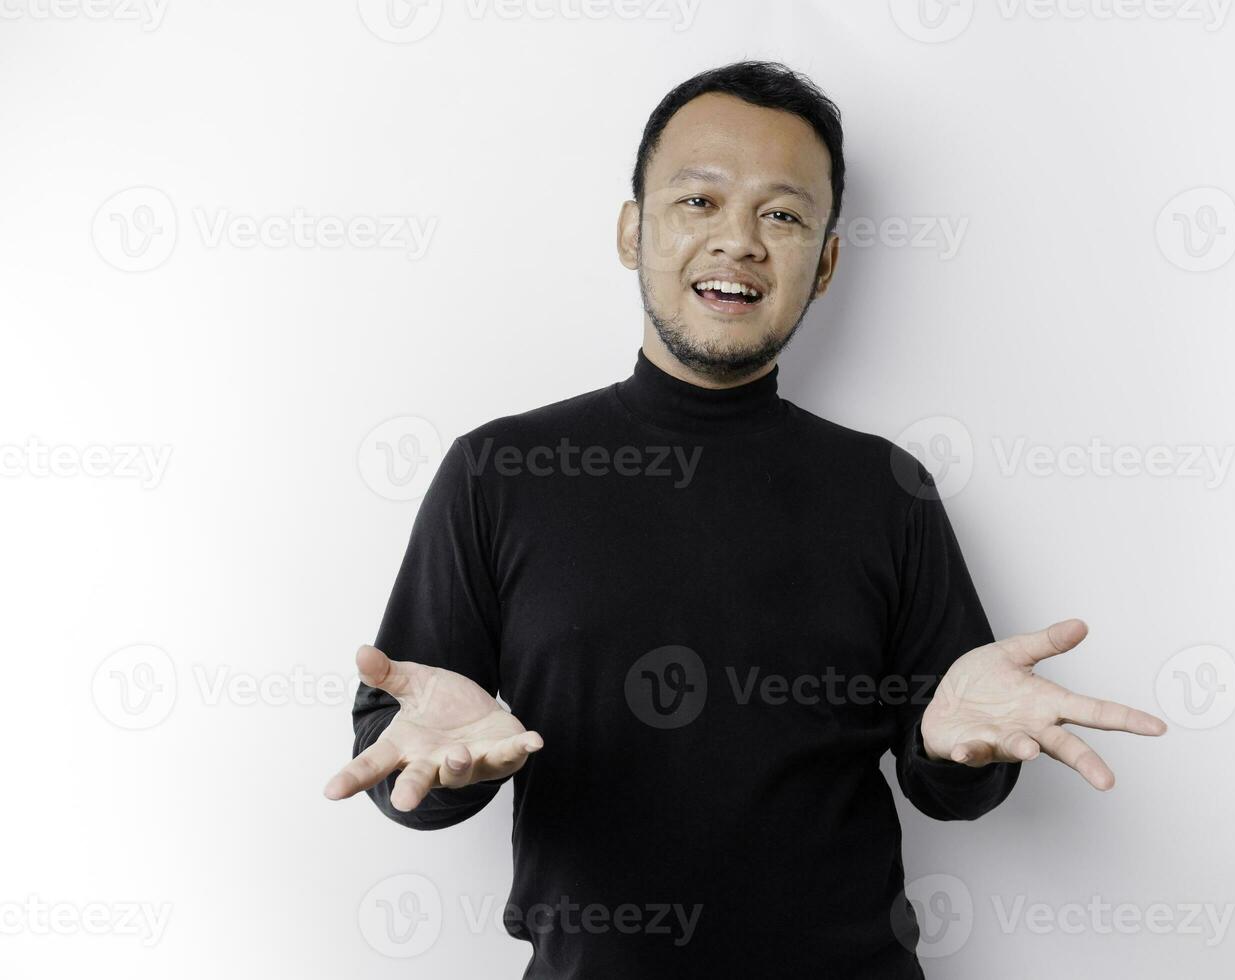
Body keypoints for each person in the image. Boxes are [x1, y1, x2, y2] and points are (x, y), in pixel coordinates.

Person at [322, 59, 1167, 978]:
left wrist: (958, 755)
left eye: (783, 214)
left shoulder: (886, 488)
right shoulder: (500, 472)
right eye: (699, 202)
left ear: (827, 261)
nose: (740, 242)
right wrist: (439, 773)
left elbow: (953, 780)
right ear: (631, 230)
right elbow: (401, 756)